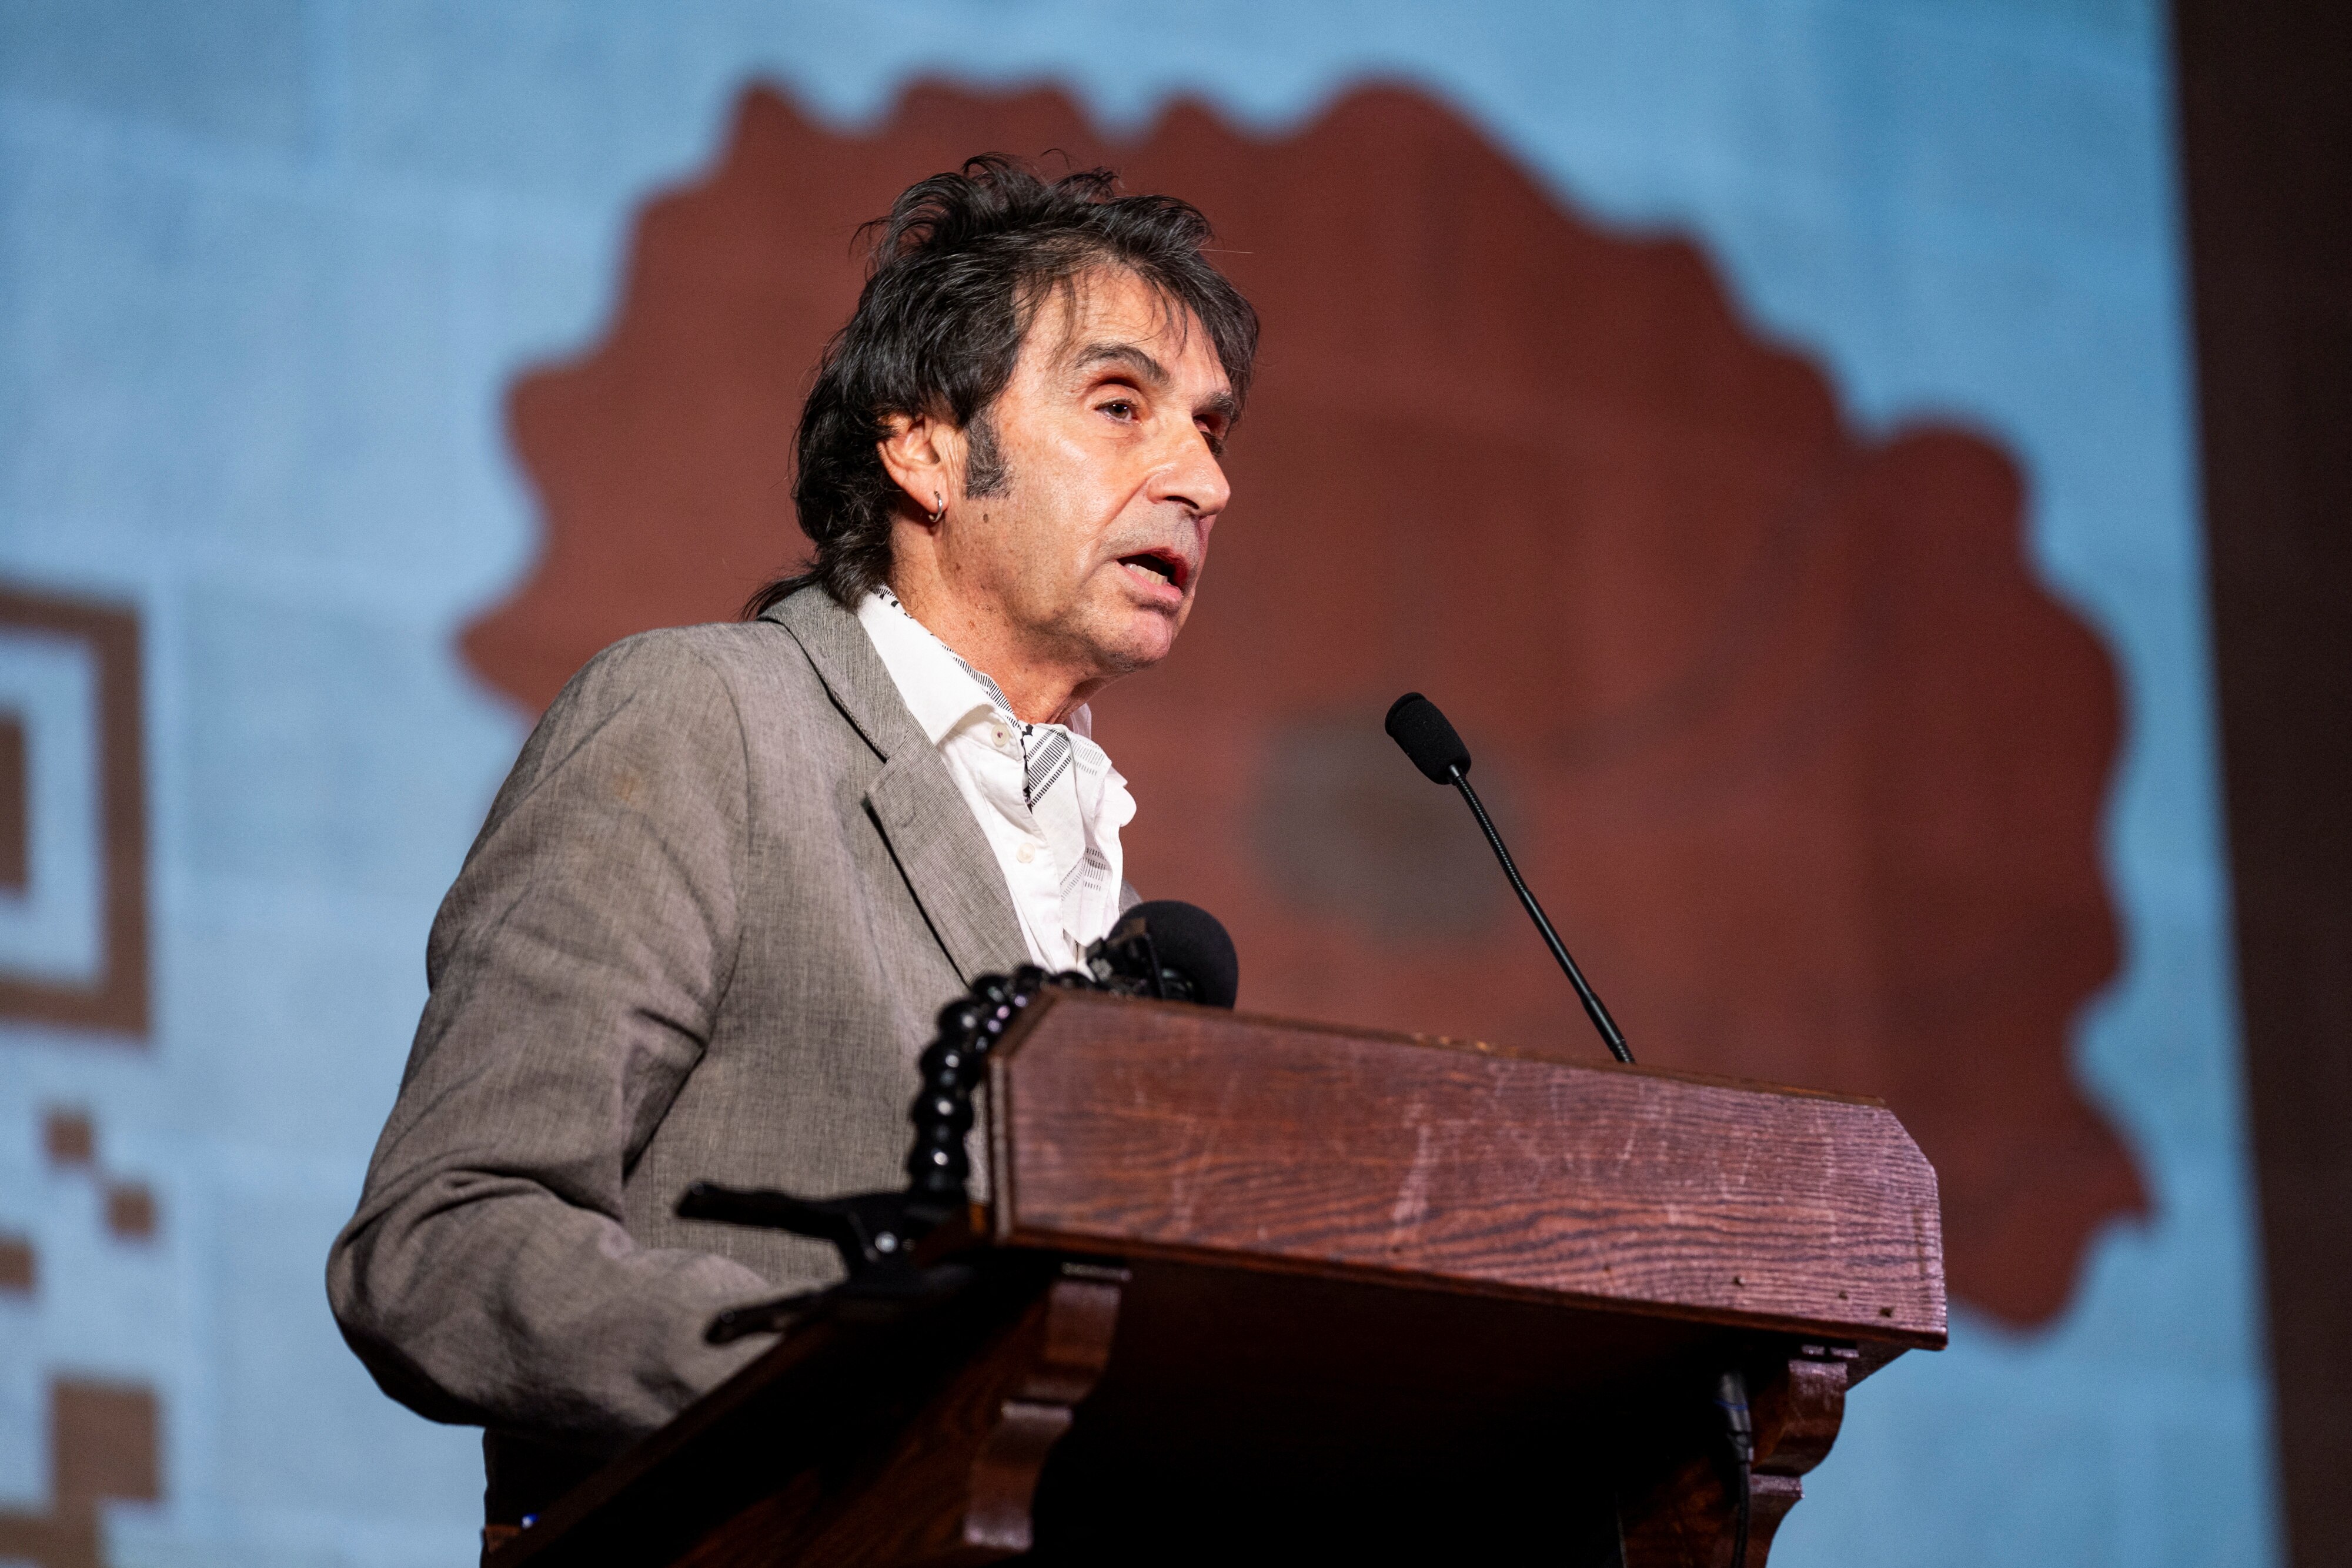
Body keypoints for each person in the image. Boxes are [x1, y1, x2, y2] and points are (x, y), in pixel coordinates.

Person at [325, 157, 1257, 1524]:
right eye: (1120, 405)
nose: (1202, 480)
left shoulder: (1091, 858)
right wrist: (844, 1370)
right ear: (923, 446)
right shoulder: (709, 719)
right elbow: (439, 1245)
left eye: (1210, 428)